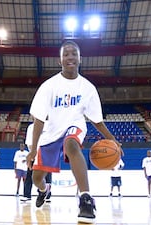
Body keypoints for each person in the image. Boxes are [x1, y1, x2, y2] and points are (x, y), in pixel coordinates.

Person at [26, 40, 121, 224]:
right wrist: (33, 149)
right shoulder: (49, 86)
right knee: (37, 178)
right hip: (50, 132)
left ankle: (85, 199)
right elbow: (38, 119)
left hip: (74, 126)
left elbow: (97, 121)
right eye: (66, 54)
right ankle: (44, 190)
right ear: (59, 60)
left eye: (74, 53)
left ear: (80, 59)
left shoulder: (88, 88)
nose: (70, 57)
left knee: (72, 145)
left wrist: (113, 140)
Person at [21, 122, 52, 202]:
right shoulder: (31, 127)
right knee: (30, 176)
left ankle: (47, 195)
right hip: (34, 154)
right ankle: (27, 195)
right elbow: (29, 143)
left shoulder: (50, 125)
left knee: (47, 176)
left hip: (47, 154)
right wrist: (33, 153)